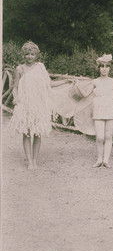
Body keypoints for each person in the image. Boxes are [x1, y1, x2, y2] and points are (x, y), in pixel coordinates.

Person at [9, 41, 73, 170]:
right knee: (26, 133)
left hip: (38, 104)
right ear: (23, 55)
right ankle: (29, 161)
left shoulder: (40, 67)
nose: (29, 57)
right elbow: (15, 87)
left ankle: (34, 160)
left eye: (32, 54)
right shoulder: (20, 69)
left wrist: (65, 81)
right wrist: (15, 98)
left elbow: (49, 84)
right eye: (27, 54)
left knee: (38, 133)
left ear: (36, 55)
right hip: (25, 104)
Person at [75, 54, 113, 168]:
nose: (104, 69)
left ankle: (106, 160)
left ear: (109, 68)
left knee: (108, 136)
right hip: (98, 109)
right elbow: (85, 94)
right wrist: (77, 85)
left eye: (107, 66)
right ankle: (99, 159)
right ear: (99, 68)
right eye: (102, 66)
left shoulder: (112, 81)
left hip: (110, 108)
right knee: (100, 137)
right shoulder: (95, 82)